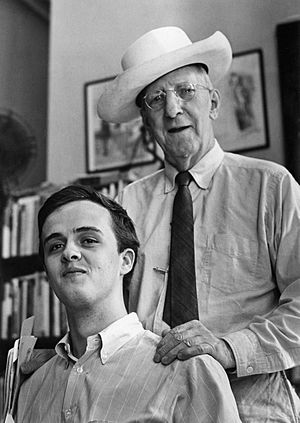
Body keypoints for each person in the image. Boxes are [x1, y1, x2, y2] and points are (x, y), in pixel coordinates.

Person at [97, 26, 300, 422]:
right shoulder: (124, 205)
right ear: (145, 121)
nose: (172, 109)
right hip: (146, 409)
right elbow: (107, 313)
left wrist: (229, 348)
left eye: (185, 92)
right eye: (156, 99)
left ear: (214, 103)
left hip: (252, 409)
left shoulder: (271, 187)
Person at [15, 185, 241, 423]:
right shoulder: (31, 388)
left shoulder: (189, 371)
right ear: (47, 274)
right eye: (55, 246)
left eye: (88, 240)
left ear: (126, 261)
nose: (69, 252)